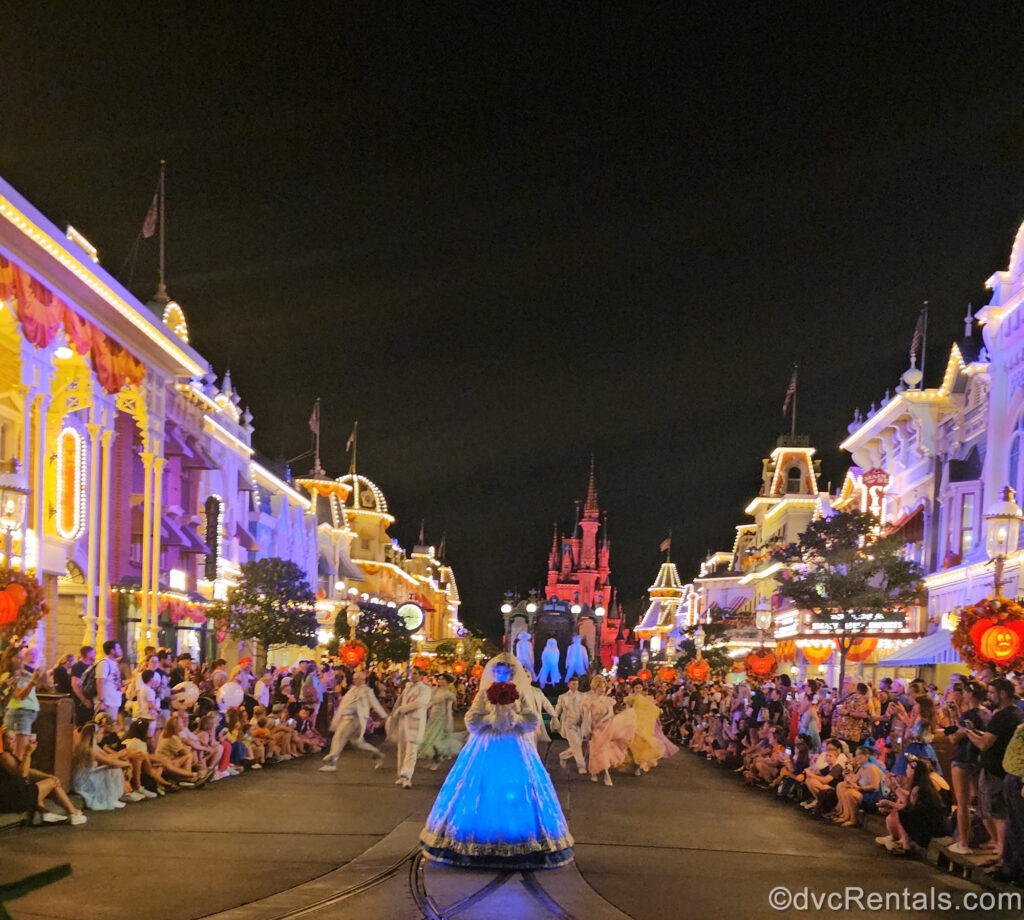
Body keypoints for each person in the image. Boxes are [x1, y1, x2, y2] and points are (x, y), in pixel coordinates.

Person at [419, 653, 574, 869]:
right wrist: (491, 719)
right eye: (498, 673)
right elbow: (471, 720)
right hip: (487, 744)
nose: (501, 676)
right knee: (482, 787)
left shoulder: (519, 695)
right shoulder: (484, 693)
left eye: (505, 673)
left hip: (514, 746)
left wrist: (514, 719)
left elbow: (532, 721)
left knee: (517, 789)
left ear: (511, 675)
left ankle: (518, 838)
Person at [967, 677, 1023, 864]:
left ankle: (1001, 852)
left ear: (1003, 693)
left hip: (997, 771)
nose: (988, 696)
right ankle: (1002, 851)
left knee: (999, 813)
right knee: (999, 811)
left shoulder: (1004, 716)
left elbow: (985, 744)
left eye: (991, 692)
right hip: (1004, 769)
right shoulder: (1016, 714)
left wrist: (968, 733)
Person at [319, 669, 389, 771]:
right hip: (347, 718)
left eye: (357, 679)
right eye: (354, 679)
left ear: (363, 679)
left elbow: (375, 703)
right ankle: (377, 754)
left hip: (355, 719)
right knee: (357, 742)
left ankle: (331, 762)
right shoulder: (352, 690)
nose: (355, 680)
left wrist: (385, 716)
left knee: (339, 737)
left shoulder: (366, 691)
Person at [584, 674, 636, 786]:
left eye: (603, 687)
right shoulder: (589, 701)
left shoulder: (608, 700)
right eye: (599, 687)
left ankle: (606, 774)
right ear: (594, 688)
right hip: (595, 728)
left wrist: (602, 720)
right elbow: (587, 716)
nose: (602, 689)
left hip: (606, 727)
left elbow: (610, 713)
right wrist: (588, 728)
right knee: (595, 749)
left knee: (603, 750)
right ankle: (594, 772)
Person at [387, 666, 432, 787]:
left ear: (421, 675)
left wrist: (403, 709)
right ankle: (401, 775)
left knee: (412, 750)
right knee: (402, 749)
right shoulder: (407, 687)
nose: (413, 675)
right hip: (404, 721)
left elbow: (420, 703)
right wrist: (396, 712)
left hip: (415, 722)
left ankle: (407, 775)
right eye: (412, 673)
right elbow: (400, 702)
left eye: (416, 673)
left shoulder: (425, 689)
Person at [2, 646, 43, 760]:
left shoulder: (24, 673)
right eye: (17, 658)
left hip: (28, 713)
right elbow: (20, 696)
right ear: (9, 659)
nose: (21, 661)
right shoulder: (10, 676)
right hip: (19, 713)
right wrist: (33, 680)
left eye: (21, 657)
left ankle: (20, 774)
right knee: (20, 754)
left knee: (25, 751)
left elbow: (40, 687)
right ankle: (18, 776)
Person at [419, 674, 464, 770]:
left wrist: (448, 722)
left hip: (441, 719)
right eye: (439, 679)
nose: (440, 681)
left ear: (447, 681)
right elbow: (430, 703)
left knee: (437, 741)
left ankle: (437, 762)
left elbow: (448, 709)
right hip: (432, 718)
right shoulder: (435, 691)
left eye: (443, 679)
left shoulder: (448, 694)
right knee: (429, 740)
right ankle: (434, 761)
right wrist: (423, 710)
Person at [624, 682, 664, 775]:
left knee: (641, 746)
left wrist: (658, 711)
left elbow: (651, 708)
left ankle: (638, 766)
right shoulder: (630, 698)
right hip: (632, 723)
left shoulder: (646, 699)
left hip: (643, 725)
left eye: (640, 687)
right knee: (631, 746)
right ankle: (634, 764)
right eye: (636, 687)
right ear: (633, 688)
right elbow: (627, 709)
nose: (638, 689)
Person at [553, 676, 587, 773]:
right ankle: (581, 766)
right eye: (573, 684)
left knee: (577, 745)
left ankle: (563, 756)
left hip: (580, 723)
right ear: (569, 684)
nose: (575, 686)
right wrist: (555, 718)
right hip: (568, 723)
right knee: (576, 744)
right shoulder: (563, 697)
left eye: (577, 684)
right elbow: (557, 710)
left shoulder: (582, 696)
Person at [95, 640, 124, 722]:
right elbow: (100, 682)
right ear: (112, 650)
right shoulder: (104, 663)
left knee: (111, 727)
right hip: (107, 702)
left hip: (114, 701)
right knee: (106, 728)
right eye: (118, 648)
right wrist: (101, 701)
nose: (120, 650)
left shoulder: (114, 663)